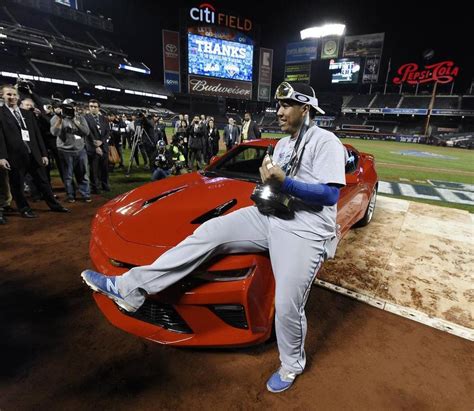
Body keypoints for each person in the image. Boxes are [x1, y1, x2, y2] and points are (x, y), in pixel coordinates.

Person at [81, 82, 346, 393]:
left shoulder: (325, 141)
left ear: (306, 108)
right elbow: (277, 186)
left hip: (306, 229)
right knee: (209, 231)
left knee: (287, 303)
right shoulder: (283, 145)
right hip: (272, 215)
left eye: (286, 105)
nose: (279, 111)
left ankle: (291, 365)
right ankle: (129, 287)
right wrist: (266, 188)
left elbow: (329, 194)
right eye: (278, 105)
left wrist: (284, 183)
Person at [0, 85, 69, 218]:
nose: (12, 97)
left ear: (18, 97)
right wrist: (2, 157)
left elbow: (37, 135)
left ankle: (55, 205)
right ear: (2, 96)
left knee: (44, 182)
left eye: (14, 95)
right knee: (17, 184)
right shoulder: (1, 113)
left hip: (34, 154)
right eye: (8, 94)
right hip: (15, 156)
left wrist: (43, 153)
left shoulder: (27, 113)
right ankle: (24, 209)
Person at [50, 100, 91, 203]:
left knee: (83, 174)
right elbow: (54, 133)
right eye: (68, 106)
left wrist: (75, 121)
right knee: (68, 176)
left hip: (80, 150)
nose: (70, 108)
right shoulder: (56, 118)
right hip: (65, 151)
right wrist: (60, 118)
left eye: (72, 106)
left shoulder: (80, 118)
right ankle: (70, 195)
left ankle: (85, 194)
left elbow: (86, 132)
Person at [84, 99, 110, 193]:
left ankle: (105, 185)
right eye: (91, 106)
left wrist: (101, 142)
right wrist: (96, 146)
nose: (93, 108)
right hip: (92, 148)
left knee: (104, 168)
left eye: (95, 106)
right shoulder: (85, 118)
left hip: (104, 147)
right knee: (94, 169)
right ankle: (95, 187)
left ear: (98, 108)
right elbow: (87, 133)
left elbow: (107, 132)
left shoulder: (103, 118)